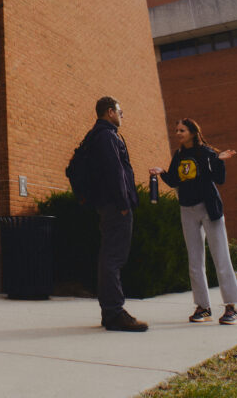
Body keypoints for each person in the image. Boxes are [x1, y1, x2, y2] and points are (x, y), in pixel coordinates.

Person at [150, 117, 237, 325]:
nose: (178, 133)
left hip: (209, 208)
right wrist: (161, 172)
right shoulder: (180, 154)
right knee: (195, 262)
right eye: (176, 130)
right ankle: (203, 307)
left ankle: (232, 307)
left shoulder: (207, 152)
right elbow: (174, 179)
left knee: (221, 258)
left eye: (182, 130)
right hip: (187, 209)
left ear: (192, 132)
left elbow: (219, 179)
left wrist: (219, 160)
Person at [87, 96, 148, 332]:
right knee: (113, 258)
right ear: (110, 112)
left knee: (110, 257)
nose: (123, 116)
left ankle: (110, 313)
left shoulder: (98, 135)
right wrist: (124, 202)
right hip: (115, 205)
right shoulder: (107, 136)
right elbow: (116, 172)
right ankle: (114, 313)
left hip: (107, 204)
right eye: (120, 112)